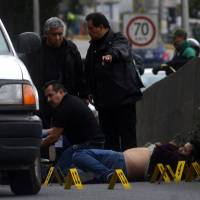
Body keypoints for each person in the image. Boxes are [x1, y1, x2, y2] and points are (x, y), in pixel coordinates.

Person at [84, 12, 143, 151]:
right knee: (110, 140)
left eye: (92, 28)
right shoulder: (93, 47)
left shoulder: (118, 39)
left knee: (128, 139)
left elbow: (121, 50)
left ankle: (131, 170)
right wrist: (89, 92)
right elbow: (89, 71)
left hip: (123, 100)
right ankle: (114, 171)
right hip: (104, 103)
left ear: (102, 27)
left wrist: (111, 56)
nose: (89, 31)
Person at [19, 17, 85, 128]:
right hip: (42, 97)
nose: (58, 38)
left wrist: (84, 94)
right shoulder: (37, 49)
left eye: (60, 34)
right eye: (54, 35)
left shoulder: (70, 49)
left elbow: (79, 72)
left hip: (65, 96)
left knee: (67, 130)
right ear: (46, 34)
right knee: (43, 129)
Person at [41, 81, 105, 174]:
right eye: (47, 97)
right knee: (62, 146)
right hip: (91, 142)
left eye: (51, 95)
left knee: (59, 172)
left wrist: (37, 146)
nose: (48, 100)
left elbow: (54, 137)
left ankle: (88, 172)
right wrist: (43, 132)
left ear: (61, 92)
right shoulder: (70, 101)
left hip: (89, 145)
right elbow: (57, 129)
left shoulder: (64, 107)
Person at [72, 137, 200, 182]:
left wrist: (168, 146)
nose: (180, 149)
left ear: (191, 157)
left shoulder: (179, 162)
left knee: (78, 154)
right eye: (182, 146)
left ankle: (106, 174)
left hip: (121, 161)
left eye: (184, 150)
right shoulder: (175, 156)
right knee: (75, 169)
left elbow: (161, 152)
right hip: (121, 159)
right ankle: (103, 174)